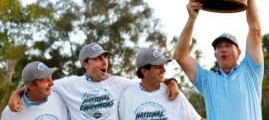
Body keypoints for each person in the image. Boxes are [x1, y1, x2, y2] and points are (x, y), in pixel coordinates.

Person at [173, 0, 264, 120]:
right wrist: (191, 19)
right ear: (215, 55)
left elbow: (255, 29)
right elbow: (180, 56)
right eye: (219, 47)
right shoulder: (207, 81)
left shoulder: (250, 71)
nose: (223, 49)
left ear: (239, 52)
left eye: (228, 46)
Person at [8, 43, 179, 120]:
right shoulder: (69, 84)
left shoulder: (118, 83)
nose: (104, 61)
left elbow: (147, 81)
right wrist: (17, 93)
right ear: (85, 64)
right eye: (97, 59)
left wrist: (172, 82)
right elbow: (40, 83)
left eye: (104, 57)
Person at [118, 47, 205, 120]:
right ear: (144, 71)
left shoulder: (174, 93)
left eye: (163, 65)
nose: (164, 70)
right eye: (158, 66)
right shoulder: (127, 97)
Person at [1, 61, 69, 120]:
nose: (52, 83)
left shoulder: (63, 97)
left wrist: (16, 93)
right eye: (45, 80)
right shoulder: (10, 113)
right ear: (31, 86)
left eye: (50, 77)